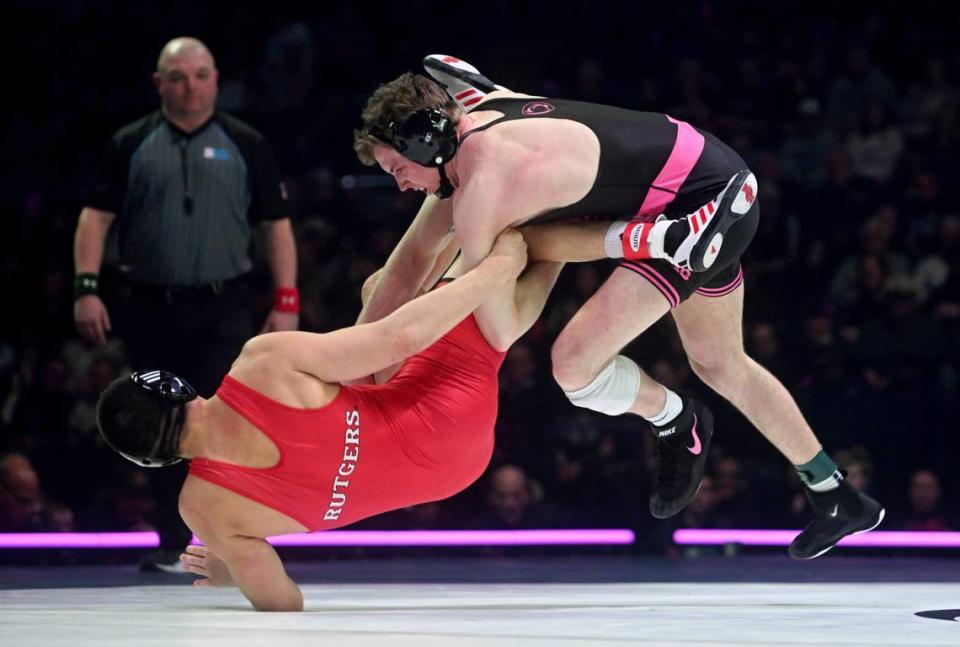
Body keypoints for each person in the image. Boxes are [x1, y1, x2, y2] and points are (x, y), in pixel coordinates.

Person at [352, 55, 884, 559]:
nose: (399, 185)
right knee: (721, 363)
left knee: (574, 365)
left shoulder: (484, 193)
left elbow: (504, 329)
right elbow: (405, 267)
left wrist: (495, 265)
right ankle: (836, 494)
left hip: (694, 217)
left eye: (399, 168)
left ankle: (677, 418)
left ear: (427, 143)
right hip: (713, 176)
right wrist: (359, 374)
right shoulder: (481, 109)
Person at [96, 229, 562, 611]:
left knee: (383, 293)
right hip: (444, 411)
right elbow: (398, 338)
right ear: (172, 387)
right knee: (478, 263)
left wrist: (235, 570)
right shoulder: (263, 362)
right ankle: (574, 229)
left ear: (149, 460)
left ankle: (553, 244)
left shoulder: (203, 509)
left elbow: (283, 602)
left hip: (456, 472)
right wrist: (495, 269)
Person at [72, 37, 299, 572]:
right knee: (161, 426)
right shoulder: (131, 142)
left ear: (215, 79)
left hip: (224, 304)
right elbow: (94, 217)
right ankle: (175, 544)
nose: (189, 86)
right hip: (151, 303)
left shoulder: (246, 142)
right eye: (177, 77)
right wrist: (86, 287)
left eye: (200, 75)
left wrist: (286, 297)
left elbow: (276, 224)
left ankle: (232, 542)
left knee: (230, 422)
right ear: (159, 83)